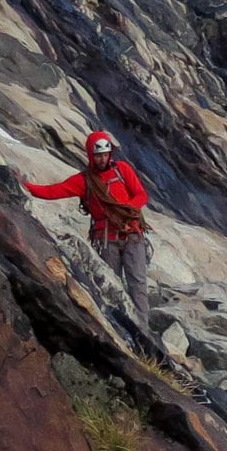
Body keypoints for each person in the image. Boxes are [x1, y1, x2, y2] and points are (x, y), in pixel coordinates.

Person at [24, 130, 150, 318]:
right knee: (111, 289)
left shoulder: (122, 169)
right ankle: (122, 327)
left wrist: (125, 211)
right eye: (98, 155)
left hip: (132, 235)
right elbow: (52, 191)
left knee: (138, 285)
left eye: (105, 155)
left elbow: (141, 195)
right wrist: (26, 185)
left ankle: (143, 332)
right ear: (91, 155)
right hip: (107, 241)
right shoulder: (84, 181)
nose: (102, 159)